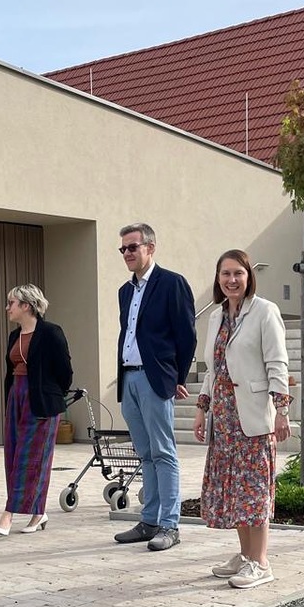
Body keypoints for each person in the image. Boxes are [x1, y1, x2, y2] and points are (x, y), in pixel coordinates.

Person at [193, 250, 291, 589]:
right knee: (235, 490)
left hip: (252, 416)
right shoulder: (216, 316)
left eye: (238, 273)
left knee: (254, 490)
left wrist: (282, 410)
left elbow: (277, 363)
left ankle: (261, 563)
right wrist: (202, 408)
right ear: (218, 278)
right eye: (225, 274)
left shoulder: (265, 311)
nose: (231, 280)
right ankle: (246, 555)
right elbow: (213, 369)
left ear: (249, 276)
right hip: (223, 420)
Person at [113, 222, 196, 552]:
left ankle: (169, 525)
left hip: (155, 378)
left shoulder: (172, 283)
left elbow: (186, 336)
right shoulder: (125, 291)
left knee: (163, 452)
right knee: (145, 454)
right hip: (129, 378)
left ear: (150, 247)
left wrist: (178, 377)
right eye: (123, 249)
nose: (127, 253)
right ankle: (149, 521)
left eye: (132, 247)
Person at [0, 284, 73, 536]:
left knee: (31, 458)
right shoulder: (14, 336)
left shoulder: (51, 332)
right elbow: (10, 370)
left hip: (41, 401)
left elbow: (65, 372)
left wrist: (51, 394)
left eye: (11, 303)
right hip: (16, 397)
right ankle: (39, 512)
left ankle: (9, 513)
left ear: (26, 306)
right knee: (13, 454)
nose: (7, 308)